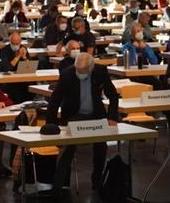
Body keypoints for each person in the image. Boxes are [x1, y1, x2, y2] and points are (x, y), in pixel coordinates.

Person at [46, 52, 120, 193]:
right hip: (74, 115)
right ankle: (58, 185)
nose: (80, 73)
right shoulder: (67, 74)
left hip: (96, 115)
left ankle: (97, 181)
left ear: (91, 68)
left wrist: (112, 117)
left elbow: (113, 95)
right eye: (78, 70)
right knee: (68, 148)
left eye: (83, 71)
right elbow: (55, 100)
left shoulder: (100, 72)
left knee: (101, 147)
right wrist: (51, 124)